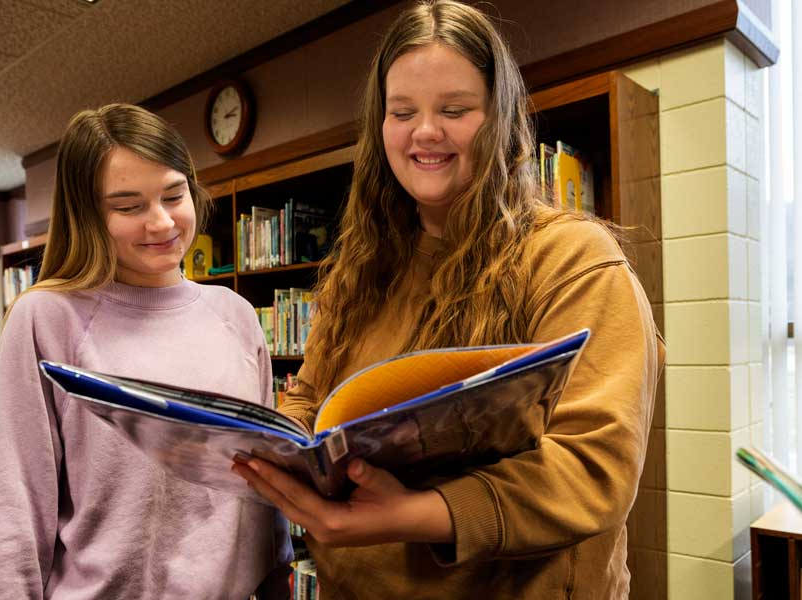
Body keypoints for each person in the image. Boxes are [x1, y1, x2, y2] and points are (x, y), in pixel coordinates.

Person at [232, 1, 664, 598]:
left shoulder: (569, 259)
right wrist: (262, 442)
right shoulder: (359, 272)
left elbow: (594, 470)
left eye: (455, 110)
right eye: (402, 112)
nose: (425, 132)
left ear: (500, 118)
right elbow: (309, 399)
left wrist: (413, 513)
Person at [0, 104, 292, 599]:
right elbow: (12, 513)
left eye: (173, 195)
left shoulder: (237, 316)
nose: (161, 223)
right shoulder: (47, 317)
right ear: (88, 215)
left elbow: (261, 487)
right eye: (128, 206)